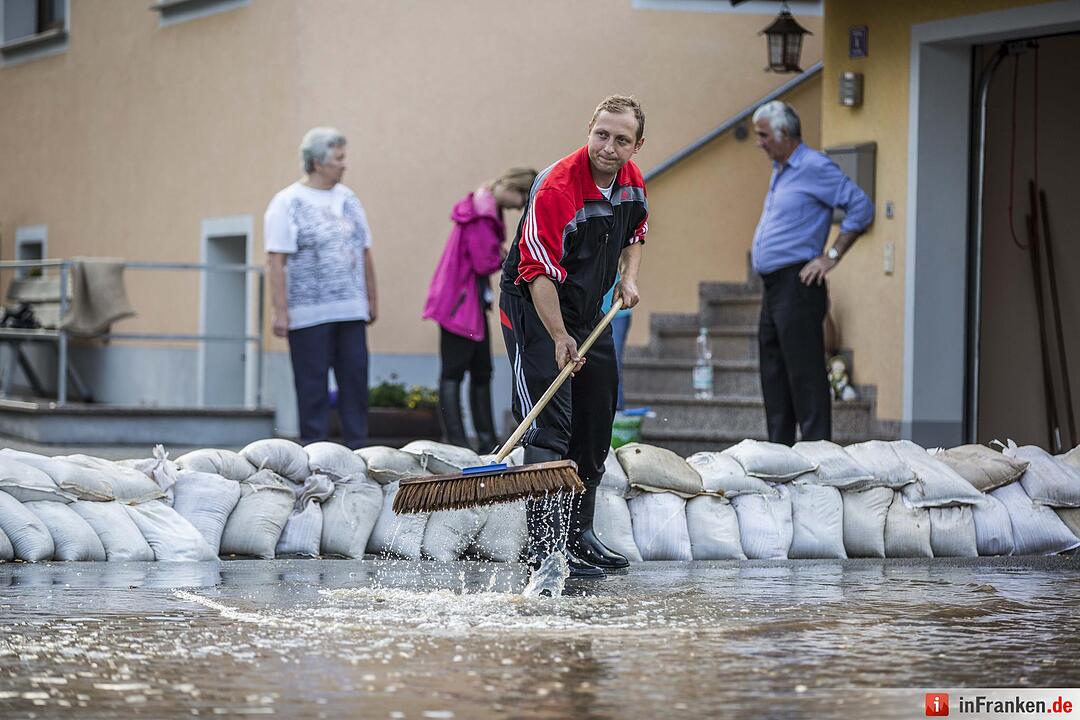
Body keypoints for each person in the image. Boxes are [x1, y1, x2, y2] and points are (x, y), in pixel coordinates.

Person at [499, 95, 648, 578]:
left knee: (595, 418)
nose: (608, 146)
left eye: (621, 140)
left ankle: (579, 537)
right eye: (602, 134)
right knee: (550, 426)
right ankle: (544, 546)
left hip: (589, 310)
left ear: (636, 145)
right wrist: (559, 336)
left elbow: (636, 234)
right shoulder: (556, 188)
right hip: (535, 307)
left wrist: (627, 279)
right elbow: (537, 271)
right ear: (590, 129)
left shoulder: (631, 184)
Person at [750, 101, 873, 446]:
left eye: (763, 135)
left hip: (800, 283)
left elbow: (861, 207)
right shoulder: (782, 167)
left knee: (806, 376)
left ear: (784, 134)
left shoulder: (814, 166)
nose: (759, 142)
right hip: (774, 286)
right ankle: (780, 453)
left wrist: (830, 256)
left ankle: (820, 453)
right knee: (774, 374)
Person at [265, 127, 377, 450]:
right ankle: (314, 453)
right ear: (316, 162)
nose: (344, 165)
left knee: (354, 382)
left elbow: (364, 250)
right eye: (338, 159)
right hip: (307, 314)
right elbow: (276, 260)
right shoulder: (287, 201)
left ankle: (359, 450)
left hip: (350, 310)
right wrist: (280, 311)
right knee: (312, 387)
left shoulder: (349, 199)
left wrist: (371, 297)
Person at [422, 167, 538, 452]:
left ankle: (482, 441)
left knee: (480, 370)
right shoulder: (483, 215)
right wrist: (506, 255)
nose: (519, 206)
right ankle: (459, 442)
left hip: (466, 302)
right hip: (460, 304)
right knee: (455, 371)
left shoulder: (482, 206)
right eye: (522, 198)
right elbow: (483, 262)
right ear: (513, 188)